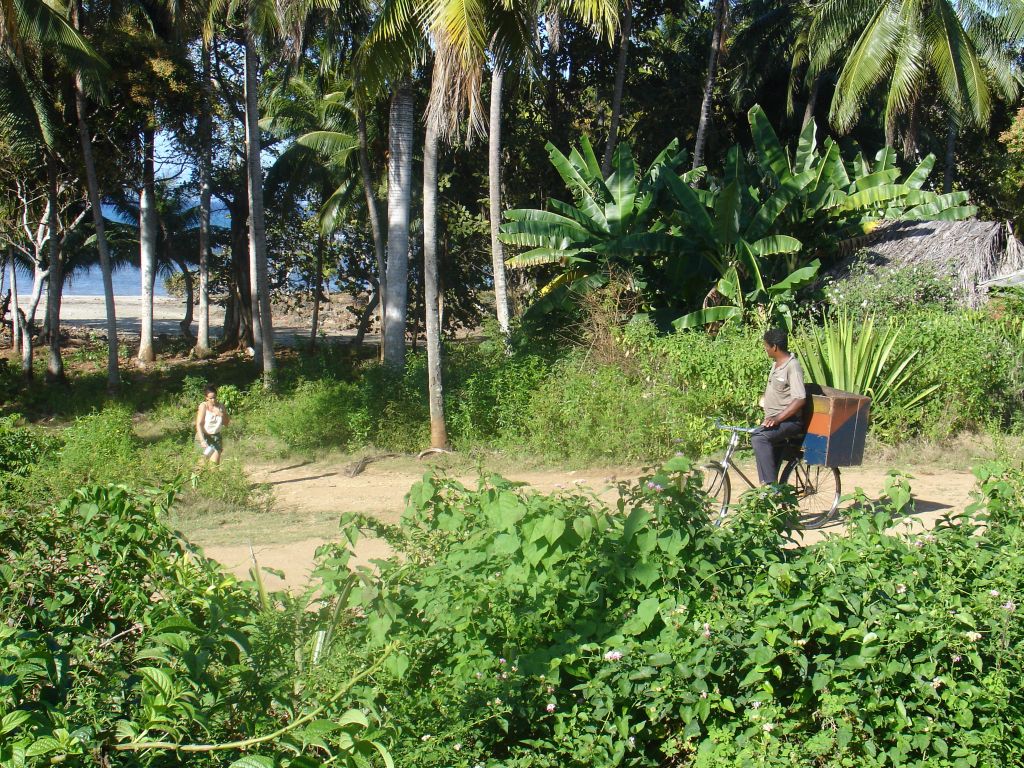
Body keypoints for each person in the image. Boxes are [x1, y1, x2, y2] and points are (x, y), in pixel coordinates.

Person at [751, 328, 806, 485]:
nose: (765, 349)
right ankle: (771, 491)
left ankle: (769, 487)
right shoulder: (776, 365)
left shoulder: (792, 366)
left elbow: (800, 399)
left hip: (789, 422)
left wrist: (777, 418)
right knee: (770, 458)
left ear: (774, 347)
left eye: (766, 346)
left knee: (759, 438)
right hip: (774, 422)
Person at [195, 384, 230, 465]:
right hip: (204, 437)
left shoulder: (221, 406)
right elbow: (199, 424)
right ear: (206, 397)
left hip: (216, 438)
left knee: (214, 466)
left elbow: (226, 423)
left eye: (214, 397)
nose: (213, 400)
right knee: (200, 466)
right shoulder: (203, 406)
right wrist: (202, 440)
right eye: (210, 398)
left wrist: (221, 414)